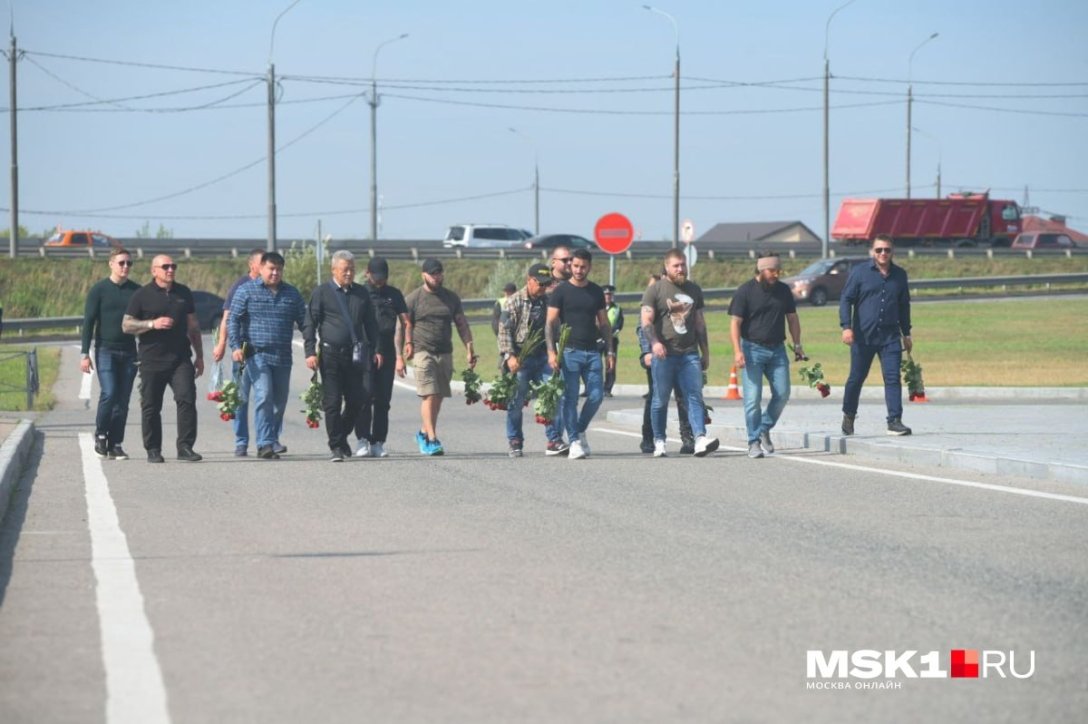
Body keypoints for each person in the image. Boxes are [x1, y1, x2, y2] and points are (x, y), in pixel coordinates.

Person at [228, 251, 312, 460]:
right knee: (264, 395)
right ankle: (264, 443)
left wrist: (312, 349)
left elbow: (305, 323)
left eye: (279, 269)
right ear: (261, 268)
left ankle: (271, 438)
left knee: (279, 402)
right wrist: (235, 346)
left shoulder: (291, 294)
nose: (275, 273)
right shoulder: (246, 290)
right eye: (271, 269)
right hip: (256, 354)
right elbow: (233, 320)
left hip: (282, 356)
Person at [122, 254, 204, 463]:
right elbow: (126, 325)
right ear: (154, 271)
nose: (170, 270)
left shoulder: (183, 292)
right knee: (151, 406)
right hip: (152, 359)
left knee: (187, 399)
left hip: (180, 358)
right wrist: (152, 324)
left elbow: (193, 326)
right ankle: (153, 449)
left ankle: (185, 447)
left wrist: (200, 356)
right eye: (165, 266)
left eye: (173, 266)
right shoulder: (142, 295)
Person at [640, 249, 719, 458]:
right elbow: (646, 321)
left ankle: (700, 438)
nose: (680, 269)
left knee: (694, 396)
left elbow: (700, 323)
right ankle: (659, 440)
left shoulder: (694, 289)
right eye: (676, 265)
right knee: (660, 399)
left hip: (689, 353)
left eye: (683, 264)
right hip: (664, 355)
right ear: (667, 267)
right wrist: (654, 343)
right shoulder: (655, 290)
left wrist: (706, 353)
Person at [305, 250, 382, 462]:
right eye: (345, 269)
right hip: (330, 355)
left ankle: (341, 436)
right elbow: (310, 323)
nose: (349, 273)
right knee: (332, 402)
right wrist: (310, 352)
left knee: (358, 399)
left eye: (352, 269)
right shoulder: (322, 292)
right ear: (334, 270)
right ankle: (336, 446)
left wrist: (376, 349)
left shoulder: (361, 293)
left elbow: (371, 324)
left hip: (354, 355)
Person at [729, 252, 803, 459]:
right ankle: (753, 441)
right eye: (772, 271)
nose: (776, 274)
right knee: (753, 398)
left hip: (777, 350)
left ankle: (764, 427)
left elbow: (792, 318)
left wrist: (797, 344)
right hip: (752, 350)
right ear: (761, 270)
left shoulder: (783, 290)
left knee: (783, 393)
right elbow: (735, 323)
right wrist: (737, 351)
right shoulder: (745, 291)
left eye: (778, 270)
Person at [839, 234, 914, 436]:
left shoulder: (900, 275)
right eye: (879, 250)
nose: (883, 253)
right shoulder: (860, 272)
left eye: (887, 250)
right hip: (863, 337)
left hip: (890, 337)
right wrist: (846, 327)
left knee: (893, 378)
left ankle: (894, 420)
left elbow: (904, 305)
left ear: (892, 252)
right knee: (856, 378)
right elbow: (846, 299)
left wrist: (906, 333)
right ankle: (849, 414)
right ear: (872, 251)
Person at [403, 258, 476, 455]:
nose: (436, 277)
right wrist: (406, 346)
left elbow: (461, 324)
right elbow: (404, 325)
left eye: (439, 273)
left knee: (438, 397)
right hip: (422, 351)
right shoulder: (414, 298)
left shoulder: (451, 298)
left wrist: (469, 347)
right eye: (432, 274)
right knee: (429, 395)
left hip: (445, 352)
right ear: (423, 275)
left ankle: (422, 432)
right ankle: (432, 439)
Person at [546, 248, 613, 460]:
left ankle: (579, 429)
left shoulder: (596, 292)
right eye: (575, 266)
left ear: (589, 267)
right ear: (570, 266)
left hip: (592, 352)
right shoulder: (561, 291)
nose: (578, 270)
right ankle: (574, 441)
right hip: (569, 352)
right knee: (570, 398)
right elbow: (550, 323)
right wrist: (551, 352)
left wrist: (610, 351)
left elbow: (604, 323)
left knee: (596, 396)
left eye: (583, 267)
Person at [80, 246, 140, 460]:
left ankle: (116, 443)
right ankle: (101, 434)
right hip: (106, 349)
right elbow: (88, 322)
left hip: (130, 351)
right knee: (109, 392)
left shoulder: (136, 291)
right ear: (111, 264)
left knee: (123, 400)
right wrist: (84, 353)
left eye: (129, 263)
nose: (125, 266)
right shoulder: (99, 290)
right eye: (121, 262)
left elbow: (144, 322)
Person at [498, 263, 561, 457]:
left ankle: (554, 440)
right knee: (516, 402)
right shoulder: (514, 301)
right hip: (521, 358)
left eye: (546, 284)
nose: (543, 288)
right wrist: (510, 356)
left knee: (551, 396)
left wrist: (556, 351)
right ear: (529, 280)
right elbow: (504, 331)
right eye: (540, 284)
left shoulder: (548, 301)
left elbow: (555, 328)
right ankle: (515, 440)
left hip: (543, 356)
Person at [212, 248, 264, 457]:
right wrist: (222, 344)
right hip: (243, 350)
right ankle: (241, 441)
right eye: (262, 263)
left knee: (267, 397)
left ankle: (268, 441)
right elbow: (227, 317)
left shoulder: (272, 286)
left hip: (266, 350)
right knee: (241, 396)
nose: (267, 267)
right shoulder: (241, 285)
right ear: (252, 265)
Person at [355, 256, 409, 458]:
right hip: (365, 349)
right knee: (364, 395)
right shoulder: (360, 293)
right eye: (376, 277)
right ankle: (362, 438)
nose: (380, 281)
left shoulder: (394, 294)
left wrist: (404, 350)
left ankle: (378, 441)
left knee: (383, 399)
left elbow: (404, 322)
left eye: (383, 277)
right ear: (367, 273)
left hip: (387, 350)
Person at [636, 273, 693, 455]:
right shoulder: (649, 303)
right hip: (657, 355)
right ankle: (649, 437)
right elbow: (642, 328)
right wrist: (646, 352)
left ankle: (688, 437)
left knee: (683, 394)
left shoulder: (671, 301)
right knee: (656, 396)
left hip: (678, 354)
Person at [602, 284, 624, 397]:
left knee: (610, 364)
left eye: (609, 295)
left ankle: (607, 388)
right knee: (594, 363)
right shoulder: (597, 307)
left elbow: (619, 324)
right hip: (598, 339)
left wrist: (611, 333)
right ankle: (590, 387)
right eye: (606, 294)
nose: (608, 297)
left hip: (612, 339)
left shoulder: (617, 308)